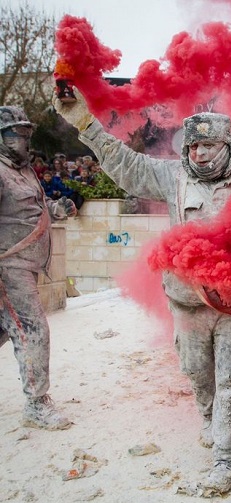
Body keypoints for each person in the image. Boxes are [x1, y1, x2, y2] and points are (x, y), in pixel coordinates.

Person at [53, 89, 231, 494]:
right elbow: (126, 165)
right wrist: (85, 122)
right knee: (198, 373)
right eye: (194, 146)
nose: (200, 154)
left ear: (228, 145)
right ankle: (211, 419)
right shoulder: (174, 177)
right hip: (188, 302)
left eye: (209, 145)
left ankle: (228, 458)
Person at [0, 105, 77, 430]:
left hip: (27, 265)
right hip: (8, 268)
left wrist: (56, 209)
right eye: (20, 134)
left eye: (28, 134)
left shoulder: (23, 169)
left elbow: (33, 209)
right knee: (33, 331)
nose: (26, 140)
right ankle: (37, 403)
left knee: (9, 330)